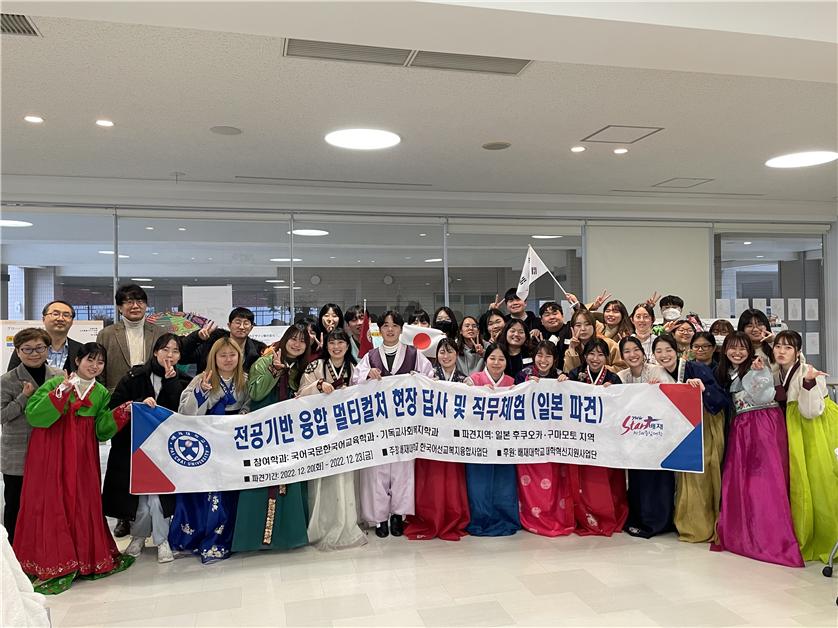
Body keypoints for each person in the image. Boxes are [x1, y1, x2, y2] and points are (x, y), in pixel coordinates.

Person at [13, 343, 133, 594]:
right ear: (77, 361)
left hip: (82, 456)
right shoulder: (56, 383)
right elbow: (34, 415)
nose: (94, 366)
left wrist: (122, 412)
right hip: (49, 451)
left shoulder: (100, 392)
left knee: (82, 500)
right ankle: (52, 561)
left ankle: (83, 558)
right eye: (90, 360)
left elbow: (101, 430)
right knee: (50, 501)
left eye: (100, 362)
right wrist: (61, 393)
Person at [713, 332, 802, 567]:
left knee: (765, 481)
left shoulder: (758, 366)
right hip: (742, 427)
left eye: (742, 348)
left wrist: (757, 372)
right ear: (725, 350)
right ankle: (746, 530)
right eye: (732, 348)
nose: (737, 353)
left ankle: (771, 536)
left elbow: (765, 395)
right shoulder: (725, 372)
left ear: (749, 350)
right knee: (743, 481)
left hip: (763, 424)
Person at [102, 334, 190, 564]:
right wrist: (138, 403)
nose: (170, 355)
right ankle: (139, 536)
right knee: (140, 495)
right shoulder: (134, 376)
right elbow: (116, 406)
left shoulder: (183, 380)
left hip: (165, 450)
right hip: (135, 448)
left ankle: (162, 539)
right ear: (155, 352)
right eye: (165, 350)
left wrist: (171, 383)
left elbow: (184, 413)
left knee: (159, 496)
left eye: (175, 351)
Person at [351, 310, 434, 537]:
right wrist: (367, 376)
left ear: (401, 329)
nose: (390, 329)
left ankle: (399, 515)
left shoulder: (414, 355)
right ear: (380, 330)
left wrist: (418, 379)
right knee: (376, 471)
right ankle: (379, 519)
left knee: (402, 470)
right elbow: (354, 382)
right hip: (377, 424)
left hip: (405, 424)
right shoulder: (370, 357)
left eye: (394, 325)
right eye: (385, 325)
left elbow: (431, 380)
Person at [169, 338, 250, 563]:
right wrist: (202, 392)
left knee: (229, 492)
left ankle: (226, 538)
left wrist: (244, 413)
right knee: (204, 491)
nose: (228, 359)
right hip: (206, 442)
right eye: (222, 355)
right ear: (214, 358)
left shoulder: (244, 380)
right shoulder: (201, 379)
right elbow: (185, 412)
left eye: (232, 355)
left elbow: (251, 405)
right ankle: (195, 537)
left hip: (232, 443)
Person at [232, 323, 311, 553]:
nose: (297, 344)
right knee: (262, 480)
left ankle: (289, 536)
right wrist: (275, 372)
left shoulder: (301, 367)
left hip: (291, 433)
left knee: (290, 481)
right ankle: (255, 538)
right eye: (293, 339)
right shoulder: (265, 361)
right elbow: (256, 393)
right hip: (265, 432)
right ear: (285, 339)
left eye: (302, 341)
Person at [97, 284, 166, 538]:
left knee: (152, 459)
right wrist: (105, 404)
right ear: (119, 307)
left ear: (146, 305)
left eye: (139, 301)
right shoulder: (107, 334)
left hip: (152, 404)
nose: (134, 305)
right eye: (128, 301)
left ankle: (154, 513)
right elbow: (99, 371)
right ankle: (123, 516)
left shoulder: (159, 332)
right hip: (120, 404)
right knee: (121, 461)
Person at [652, 335, 728, 543]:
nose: (664, 355)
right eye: (659, 351)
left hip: (704, 424)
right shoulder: (658, 373)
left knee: (703, 474)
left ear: (676, 350)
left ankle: (705, 525)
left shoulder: (695, 368)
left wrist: (702, 388)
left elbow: (720, 398)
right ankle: (688, 521)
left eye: (668, 350)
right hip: (681, 429)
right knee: (685, 475)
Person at [773, 330, 838, 563]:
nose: (781, 351)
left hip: (814, 429)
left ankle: (826, 537)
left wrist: (809, 383)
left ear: (798, 351)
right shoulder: (776, 371)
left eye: (788, 347)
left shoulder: (808, 372)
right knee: (801, 481)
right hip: (796, 429)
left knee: (820, 481)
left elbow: (811, 411)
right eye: (778, 346)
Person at [298, 328, 367, 551]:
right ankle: (322, 525)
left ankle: (348, 521)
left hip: (346, 434)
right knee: (323, 480)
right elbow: (300, 394)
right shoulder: (315, 367)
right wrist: (318, 386)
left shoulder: (355, 369)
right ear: (326, 346)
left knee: (346, 478)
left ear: (348, 346)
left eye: (341, 343)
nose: (336, 347)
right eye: (332, 343)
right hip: (321, 433)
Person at [559, 338, 627, 536]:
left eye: (600, 354)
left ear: (607, 358)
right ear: (585, 355)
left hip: (605, 440)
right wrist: (562, 382)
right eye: (591, 354)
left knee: (605, 480)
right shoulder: (574, 374)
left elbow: (622, 407)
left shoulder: (613, 378)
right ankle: (583, 516)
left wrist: (613, 393)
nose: (595, 359)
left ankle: (607, 514)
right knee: (583, 481)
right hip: (581, 439)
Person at [405, 338, 472, 541]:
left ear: (457, 354)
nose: (446, 356)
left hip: (453, 441)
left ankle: (453, 516)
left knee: (452, 480)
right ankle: (429, 516)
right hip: (431, 439)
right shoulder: (428, 377)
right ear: (436, 355)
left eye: (450, 351)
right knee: (431, 480)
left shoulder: (465, 380)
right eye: (442, 352)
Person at [0, 329, 62, 543]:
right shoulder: (7, 380)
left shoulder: (58, 376)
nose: (34, 354)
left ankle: (42, 546)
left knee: (47, 502)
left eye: (39, 348)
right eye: (27, 349)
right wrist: (23, 397)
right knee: (16, 503)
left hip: (50, 449)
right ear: (18, 351)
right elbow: (2, 416)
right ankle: (14, 547)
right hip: (18, 453)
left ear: (48, 349)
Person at [515, 342, 574, 536]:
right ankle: (532, 516)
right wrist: (526, 386)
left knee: (555, 479)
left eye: (548, 356)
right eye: (539, 355)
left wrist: (567, 383)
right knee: (532, 481)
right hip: (530, 439)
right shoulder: (523, 375)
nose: (543, 360)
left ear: (555, 359)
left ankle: (555, 515)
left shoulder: (561, 376)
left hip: (555, 439)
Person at [616, 336, 673, 538]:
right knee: (638, 480)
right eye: (627, 351)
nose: (632, 355)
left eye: (636, 350)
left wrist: (659, 389)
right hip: (634, 439)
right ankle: (639, 518)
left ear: (643, 351)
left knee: (658, 479)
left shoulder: (657, 371)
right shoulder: (621, 376)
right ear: (622, 356)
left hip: (658, 436)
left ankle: (661, 520)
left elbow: (673, 393)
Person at [465, 344, 521, 536]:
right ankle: (479, 518)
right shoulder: (473, 380)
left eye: (501, 359)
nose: (496, 363)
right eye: (492, 358)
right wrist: (477, 392)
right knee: (479, 483)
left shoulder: (512, 382)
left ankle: (505, 517)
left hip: (504, 442)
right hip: (479, 441)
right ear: (485, 360)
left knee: (503, 483)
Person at [180, 307, 267, 373]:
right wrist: (197, 337)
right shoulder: (212, 342)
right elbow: (183, 358)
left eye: (246, 323)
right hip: (209, 388)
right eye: (238, 322)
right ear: (229, 325)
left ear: (251, 327)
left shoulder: (258, 350)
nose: (241, 327)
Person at [6, 301, 81, 373]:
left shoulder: (80, 349)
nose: (60, 318)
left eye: (66, 315)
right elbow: (12, 377)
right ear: (43, 319)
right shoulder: (26, 348)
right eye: (55, 314)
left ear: (72, 321)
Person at [531, 301, 572, 371]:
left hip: (568, 372)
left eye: (555, 313)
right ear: (541, 320)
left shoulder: (571, 330)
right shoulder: (537, 335)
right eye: (547, 315)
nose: (552, 317)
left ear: (562, 316)